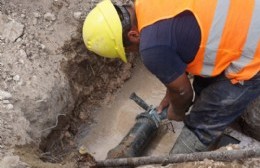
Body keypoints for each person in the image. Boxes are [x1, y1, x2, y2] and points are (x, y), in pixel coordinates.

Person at [82, 0, 260, 154]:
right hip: (248, 14)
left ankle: (183, 159)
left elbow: (184, 93)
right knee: (203, 87)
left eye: (128, 50)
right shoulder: (146, 6)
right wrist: (172, 91)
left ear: (133, 35)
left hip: (254, 53)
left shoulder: (151, 47)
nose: (133, 53)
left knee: (202, 121)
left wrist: (177, 111)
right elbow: (183, 35)